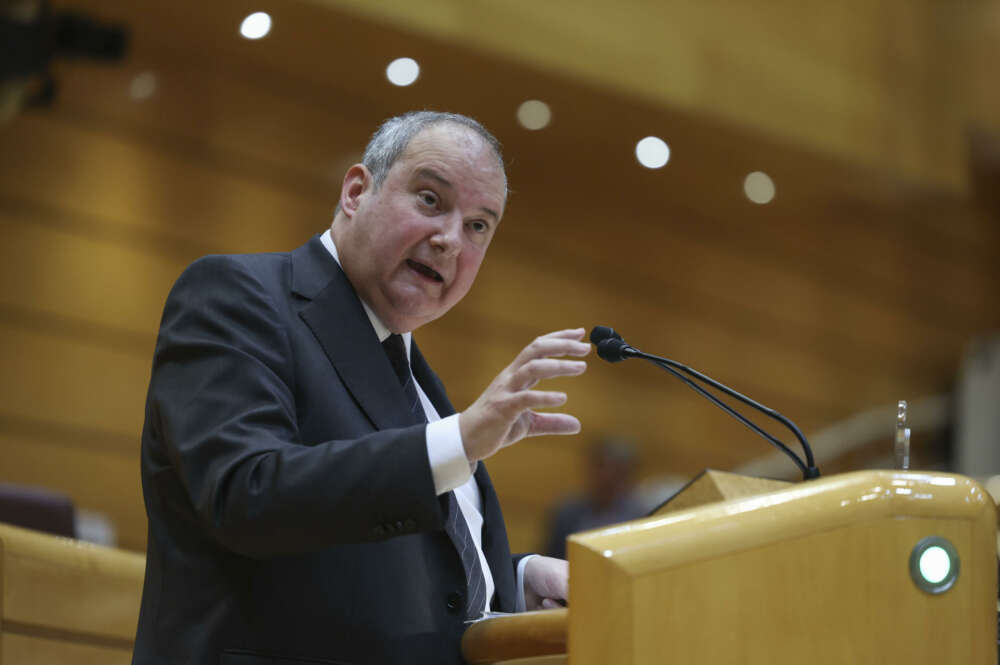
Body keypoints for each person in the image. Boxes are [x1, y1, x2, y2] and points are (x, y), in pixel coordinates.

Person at [132, 111, 590, 665]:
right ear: (356, 191)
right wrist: (462, 440)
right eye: (429, 199)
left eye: (478, 226)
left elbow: (379, 567)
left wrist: (511, 582)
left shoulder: (412, 372)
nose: (449, 239)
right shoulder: (238, 296)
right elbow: (245, 494)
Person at [544, 437, 646, 559]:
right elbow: (550, 558)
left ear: (628, 473)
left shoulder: (641, 519)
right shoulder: (568, 513)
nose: (607, 476)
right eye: (602, 467)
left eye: (616, 470)